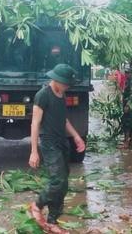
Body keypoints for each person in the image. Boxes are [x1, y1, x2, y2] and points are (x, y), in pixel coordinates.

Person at [28, 64, 86, 234]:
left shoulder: (62, 93)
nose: (68, 86)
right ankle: (37, 204)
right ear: (57, 80)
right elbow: (35, 124)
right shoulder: (42, 95)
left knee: (64, 183)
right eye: (66, 83)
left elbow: (64, 120)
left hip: (62, 141)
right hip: (49, 142)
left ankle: (53, 220)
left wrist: (76, 136)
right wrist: (34, 151)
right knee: (57, 180)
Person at [120, 64, 132, 148]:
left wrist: (127, 105)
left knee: (127, 123)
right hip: (126, 105)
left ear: (131, 73)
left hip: (129, 107)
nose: (127, 74)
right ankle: (130, 142)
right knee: (127, 123)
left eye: (128, 73)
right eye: (126, 72)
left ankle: (127, 142)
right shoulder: (126, 82)